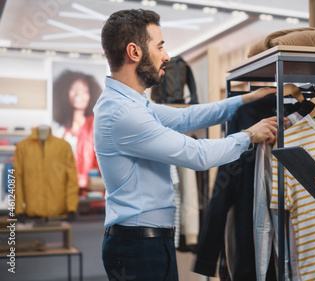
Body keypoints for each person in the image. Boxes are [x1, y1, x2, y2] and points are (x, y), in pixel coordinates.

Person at [95, 9, 279, 281]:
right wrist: (249, 135)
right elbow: (197, 155)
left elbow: (186, 116)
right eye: (159, 46)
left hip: (146, 242)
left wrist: (244, 100)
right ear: (134, 52)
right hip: (138, 246)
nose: (166, 56)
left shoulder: (131, 104)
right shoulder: (123, 113)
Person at [52, 69, 101, 188]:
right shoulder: (61, 132)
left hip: (90, 195)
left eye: (84, 91)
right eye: (74, 89)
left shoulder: (95, 126)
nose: (78, 94)